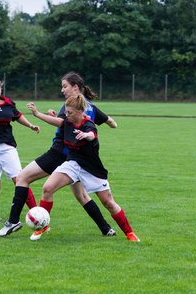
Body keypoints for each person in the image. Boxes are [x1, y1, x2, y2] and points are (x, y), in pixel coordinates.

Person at [0, 72, 117, 238]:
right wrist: (110, 123)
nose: (62, 90)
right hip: (78, 159)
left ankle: (13, 221)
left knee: (23, 177)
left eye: (65, 86)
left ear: (75, 87)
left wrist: (39, 114)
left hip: (60, 153)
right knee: (82, 196)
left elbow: (61, 123)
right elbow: (110, 122)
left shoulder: (69, 105)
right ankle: (106, 228)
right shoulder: (88, 106)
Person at [31, 94, 139, 241]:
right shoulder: (67, 122)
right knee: (47, 188)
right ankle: (42, 227)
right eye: (66, 112)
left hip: (92, 168)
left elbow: (92, 134)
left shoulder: (88, 124)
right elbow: (58, 122)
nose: (66, 115)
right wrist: (38, 114)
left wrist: (86, 135)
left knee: (108, 202)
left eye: (70, 112)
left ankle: (130, 233)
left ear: (81, 111)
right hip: (73, 163)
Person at [0, 75, 40, 215]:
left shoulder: (8, 103)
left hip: (8, 148)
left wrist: (31, 125)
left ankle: (36, 213)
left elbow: (17, 116)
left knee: (21, 181)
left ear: (1, 89)